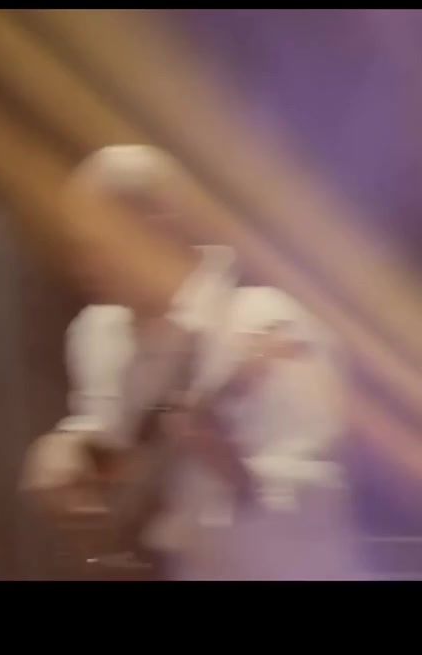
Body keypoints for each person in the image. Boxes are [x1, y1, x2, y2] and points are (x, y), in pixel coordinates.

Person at [21, 144, 367, 580]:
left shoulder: (270, 324)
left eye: (97, 245)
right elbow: (116, 440)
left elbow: (319, 498)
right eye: (76, 246)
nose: (80, 264)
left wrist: (232, 467)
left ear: (156, 227)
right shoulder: (96, 332)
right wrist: (71, 448)